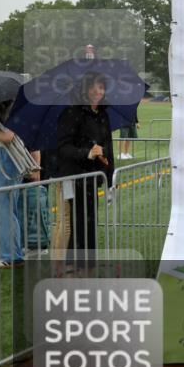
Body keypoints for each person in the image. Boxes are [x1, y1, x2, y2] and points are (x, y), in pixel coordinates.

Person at [57, 72, 115, 256]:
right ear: (86, 89)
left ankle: (86, 267)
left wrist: (109, 177)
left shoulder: (103, 114)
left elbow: (108, 146)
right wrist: (88, 153)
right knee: (73, 225)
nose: (99, 91)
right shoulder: (72, 112)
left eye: (102, 87)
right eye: (95, 87)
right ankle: (67, 268)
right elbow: (64, 147)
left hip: (92, 179)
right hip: (73, 177)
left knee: (89, 225)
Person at [0, 101, 24, 267]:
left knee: (3, 208)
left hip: (5, 157)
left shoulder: (9, 106)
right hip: (6, 157)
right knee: (7, 208)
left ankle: (9, 255)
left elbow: (8, 136)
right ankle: (12, 253)